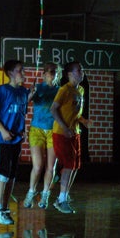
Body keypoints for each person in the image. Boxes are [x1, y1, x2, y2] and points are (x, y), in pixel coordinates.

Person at [0, 59, 32, 225]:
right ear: (11, 73)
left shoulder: (24, 92)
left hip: (16, 140)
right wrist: (3, 130)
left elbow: (21, 113)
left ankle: (4, 208)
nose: (24, 73)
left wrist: (23, 131)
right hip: (2, 139)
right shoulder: (2, 90)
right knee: (3, 174)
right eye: (21, 70)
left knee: (12, 176)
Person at [50, 61, 92, 214]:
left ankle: (64, 196)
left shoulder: (80, 90)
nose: (82, 72)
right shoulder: (64, 90)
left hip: (75, 133)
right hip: (62, 133)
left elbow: (76, 113)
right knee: (68, 165)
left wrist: (84, 121)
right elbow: (53, 109)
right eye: (79, 70)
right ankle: (61, 199)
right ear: (69, 74)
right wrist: (65, 127)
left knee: (75, 166)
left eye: (82, 70)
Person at [24, 62, 61, 209]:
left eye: (55, 72)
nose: (52, 74)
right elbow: (24, 104)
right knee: (38, 166)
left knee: (50, 167)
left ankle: (45, 194)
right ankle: (31, 191)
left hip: (53, 130)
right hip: (37, 129)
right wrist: (30, 94)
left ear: (58, 74)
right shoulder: (37, 87)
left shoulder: (60, 91)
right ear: (44, 73)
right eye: (49, 71)